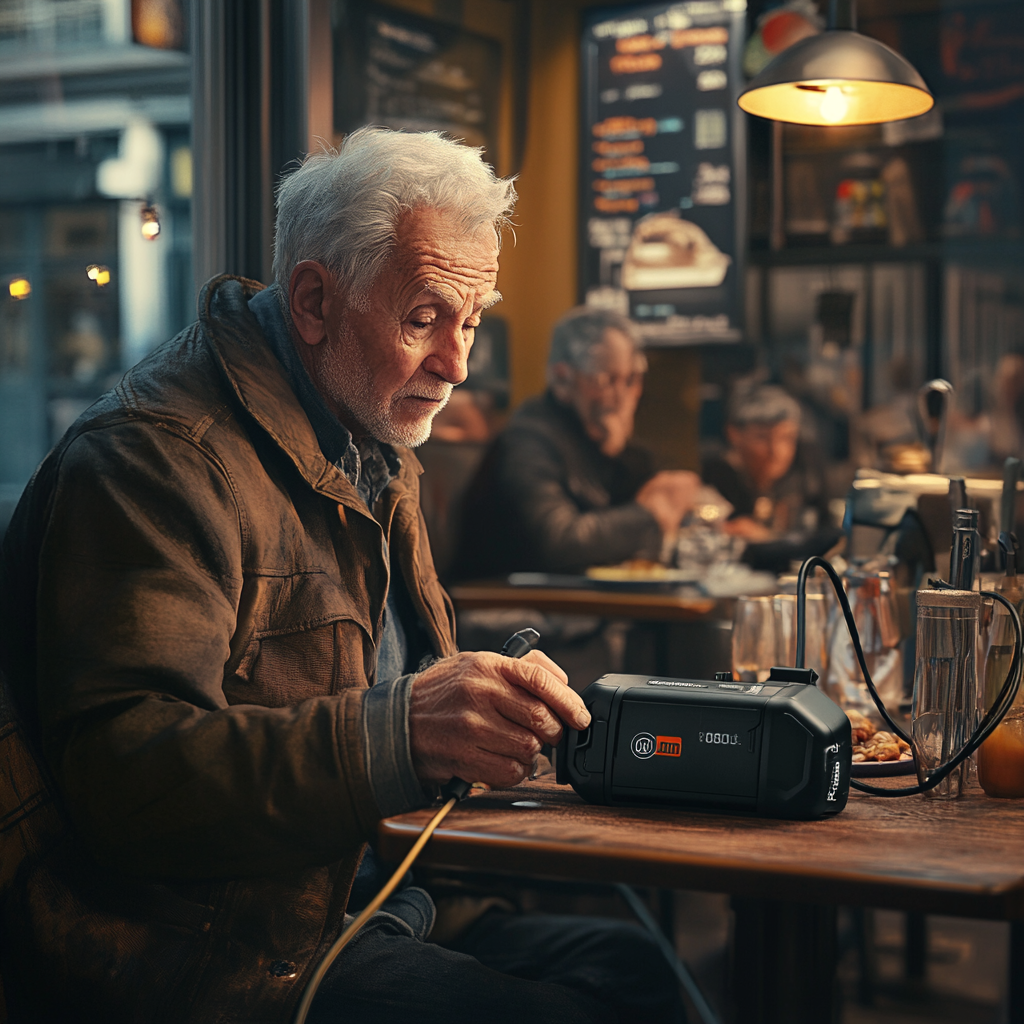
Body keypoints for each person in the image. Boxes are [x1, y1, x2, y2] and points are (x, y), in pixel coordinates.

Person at [0, 129, 681, 1023]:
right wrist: (404, 731)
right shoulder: (155, 459)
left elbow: (381, 690)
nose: (458, 365)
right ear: (315, 301)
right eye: (425, 318)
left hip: (369, 898)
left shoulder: (371, 440)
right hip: (216, 951)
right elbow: (129, 784)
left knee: (636, 969)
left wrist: (482, 710)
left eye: (472, 321)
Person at [454, 307, 699, 580]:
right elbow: (559, 543)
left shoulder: (612, 443)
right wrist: (650, 513)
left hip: (576, 599)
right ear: (562, 378)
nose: (622, 396)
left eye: (631, 380)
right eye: (606, 380)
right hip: (509, 599)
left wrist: (619, 456)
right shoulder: (528, 438)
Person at [702, 382, 828, 542]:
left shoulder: (806, 473)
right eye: (762, 437)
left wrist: (768, 537)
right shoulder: (713, 477)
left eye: (787, 438)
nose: (776, 451)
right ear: (734, 434)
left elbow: (827, 532)